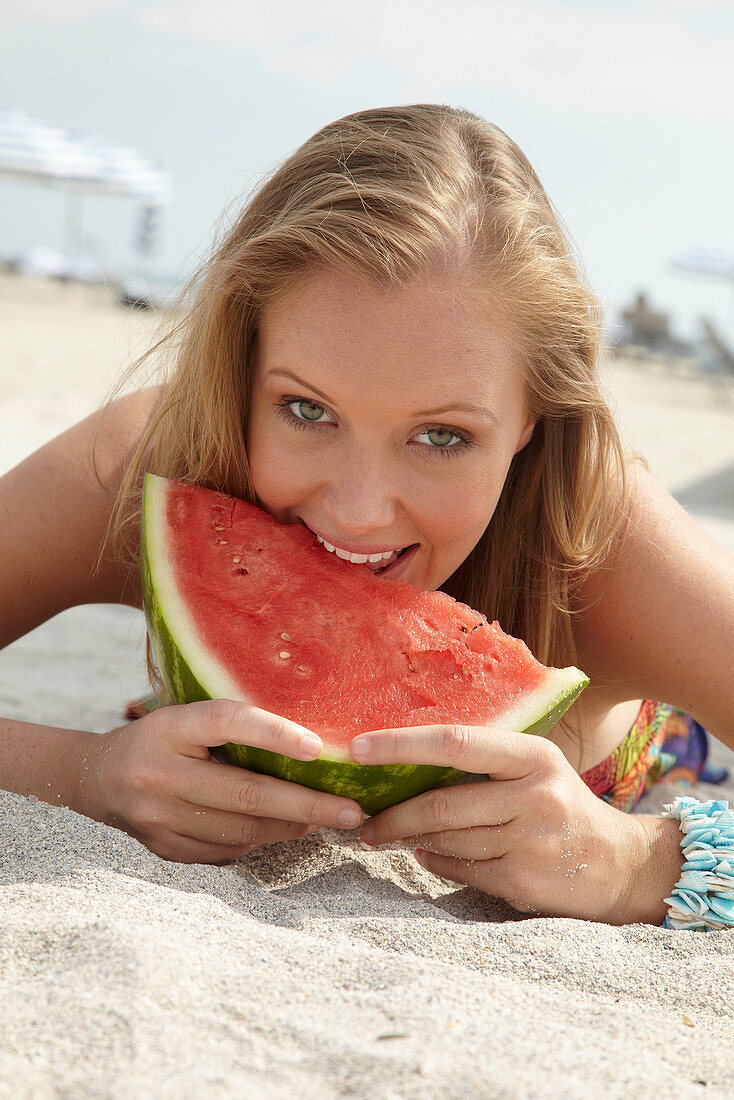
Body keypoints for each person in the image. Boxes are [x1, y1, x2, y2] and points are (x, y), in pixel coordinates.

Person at [2, 105, 733, 929]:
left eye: (441, 435)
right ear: (241, 369)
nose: (357, 507)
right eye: (307, 411)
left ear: (534, 418)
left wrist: (633, 860)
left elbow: (637, 856)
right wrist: (86, 770)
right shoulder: (150, 463)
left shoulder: (602, 543)